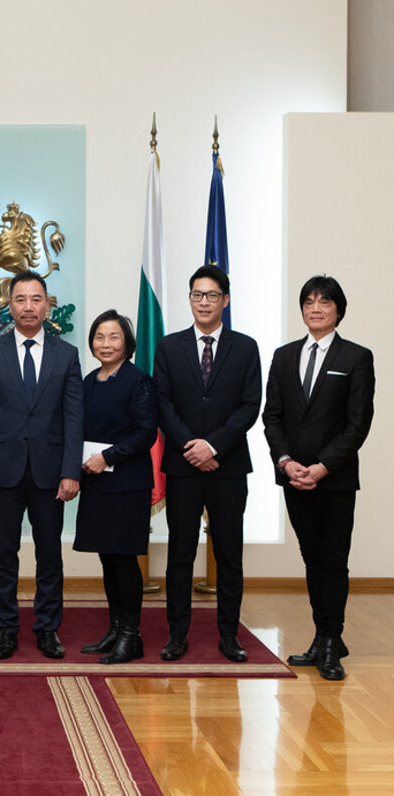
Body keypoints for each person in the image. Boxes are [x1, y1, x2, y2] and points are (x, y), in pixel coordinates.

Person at [263, 276, 374, 681]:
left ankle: (331, 641)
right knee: (311, 557)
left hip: (335, 478)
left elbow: (357, 424)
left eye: (324, 302)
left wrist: (323, 465)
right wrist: (286, 460)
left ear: (338, 310)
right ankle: (323, 634)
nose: (315, 308)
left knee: (333, 560)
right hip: (293, 477)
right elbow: (271, 416)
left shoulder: (356, 358)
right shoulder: (284, 355)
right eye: (308, 301)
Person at [0, 272, 82, 660]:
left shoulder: (66, 355)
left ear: (47, 305)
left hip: (52, 473)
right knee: (4, 554)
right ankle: (6, 629)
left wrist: (72, 471)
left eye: (36, 299)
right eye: (21, 299)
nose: (29, 306)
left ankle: (48, 628)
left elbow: (73, 418)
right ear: (10, 305)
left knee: (49, 553)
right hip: (2, 472)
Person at [153, 264, 261, 662]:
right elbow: (162, 404)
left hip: (228, 468)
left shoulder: (246, 347)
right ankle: (176, 635)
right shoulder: (168, 347)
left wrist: (213, 447)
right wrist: (191, 447)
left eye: (211, 295)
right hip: (183, 467)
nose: (203, 302)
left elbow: (250, 406)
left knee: (229, 554)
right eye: (197, 294)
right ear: (189, 299)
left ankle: (229, 636)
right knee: (180, 553)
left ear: (225, 300)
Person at [73, 310, 157, 664]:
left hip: (126, 483)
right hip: (96, 483)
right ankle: (115, 628)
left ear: (127, 343)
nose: (105, 344)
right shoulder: (90, 381)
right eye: (99, 337)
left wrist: (106, 456)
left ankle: (131, 636)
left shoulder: (138, 381)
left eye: (114, 337)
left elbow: (146, 432)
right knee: (107, 559)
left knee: (124, 560)